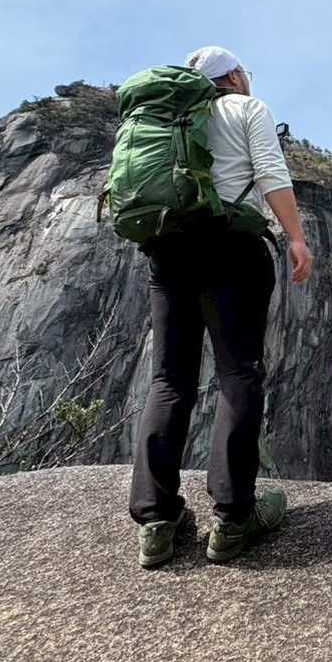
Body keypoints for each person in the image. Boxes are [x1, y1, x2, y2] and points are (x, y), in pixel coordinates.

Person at [130, 45, 313, 568]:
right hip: (231, 248)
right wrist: (295, 237)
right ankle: (234, 518)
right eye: (243, 73)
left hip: (168, 251)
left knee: (169, 380)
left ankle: (156, 521)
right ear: (232, 76)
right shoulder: (246, 108)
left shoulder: (163, 118)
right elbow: (271, 173)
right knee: (238, 373)